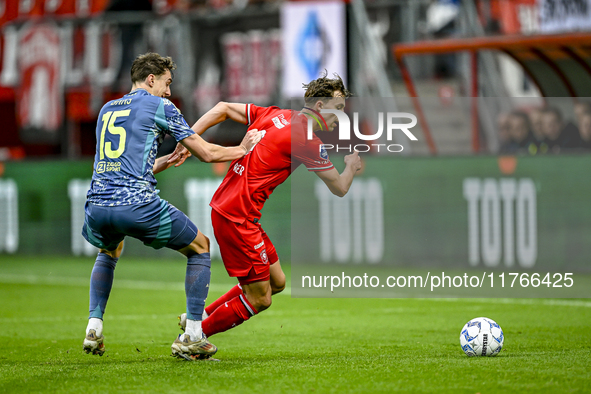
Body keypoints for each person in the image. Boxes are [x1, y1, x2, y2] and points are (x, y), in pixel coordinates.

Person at [81, 52, 261, 361]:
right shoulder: (160, 106)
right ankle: (192, 334)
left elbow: (124, 167)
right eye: (166, 83)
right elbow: (205, 152)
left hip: (97, 206)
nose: (168, 91)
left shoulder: (107, 109)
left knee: (109, 252)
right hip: (136, 205)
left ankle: (93, 326)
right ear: (151, 79)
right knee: (200, 247)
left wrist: (167, 159)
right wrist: (242, 149)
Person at [171, 73, 362, 343]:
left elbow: (223, 107)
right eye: (339, 108)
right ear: (320, 107)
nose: (341, 116)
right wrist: (351, 167)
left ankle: (199, 318)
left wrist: (187, 139)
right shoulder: (307, 139)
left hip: (234, 209)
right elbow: (340, 187)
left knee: (277, 281)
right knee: (261, 298)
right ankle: (194, 337)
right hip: (238, 216)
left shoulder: (275, 114)